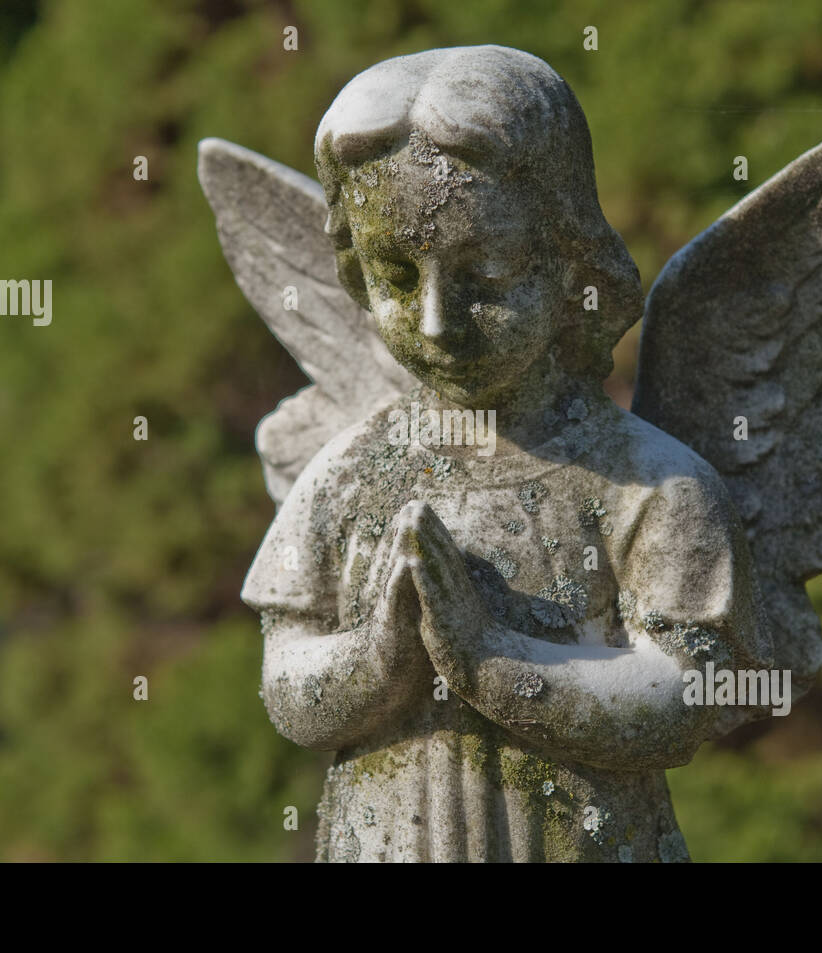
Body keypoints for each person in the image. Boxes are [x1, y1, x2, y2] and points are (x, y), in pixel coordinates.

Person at [242, 46, 771, 862]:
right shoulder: (351, 475)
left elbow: (687, 687)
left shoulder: (649, 483)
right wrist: (381, 658)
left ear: (569, 259)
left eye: (485, 274)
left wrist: (493, 660)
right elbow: (287, 679)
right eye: (392, 274)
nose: (437, 321)